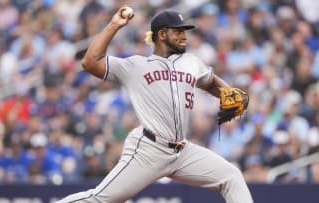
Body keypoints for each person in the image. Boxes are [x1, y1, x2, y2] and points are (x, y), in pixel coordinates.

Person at [57, 6, 253, 203]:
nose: (183, 36)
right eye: (177, 31)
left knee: (232, 177)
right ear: (161, 34)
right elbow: (90, 62)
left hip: (182, 152)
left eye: (184, 31)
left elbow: (210, 81)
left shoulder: (191, 63)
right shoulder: (136, 66)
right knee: (100, 199)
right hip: (149, 149)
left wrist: (230, 95)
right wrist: (114, 25)